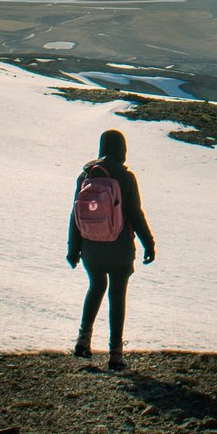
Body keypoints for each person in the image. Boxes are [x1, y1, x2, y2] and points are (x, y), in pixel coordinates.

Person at [66, 128, 156, 369]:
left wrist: (73, 249)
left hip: (91, 247)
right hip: (120, 247)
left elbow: (74, 214)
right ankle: (115, 355)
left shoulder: (85, 175)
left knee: (96, 286)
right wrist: (149, 243)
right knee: (117, 294)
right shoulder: (125, 177)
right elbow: (135, 214)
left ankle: (83, 342)